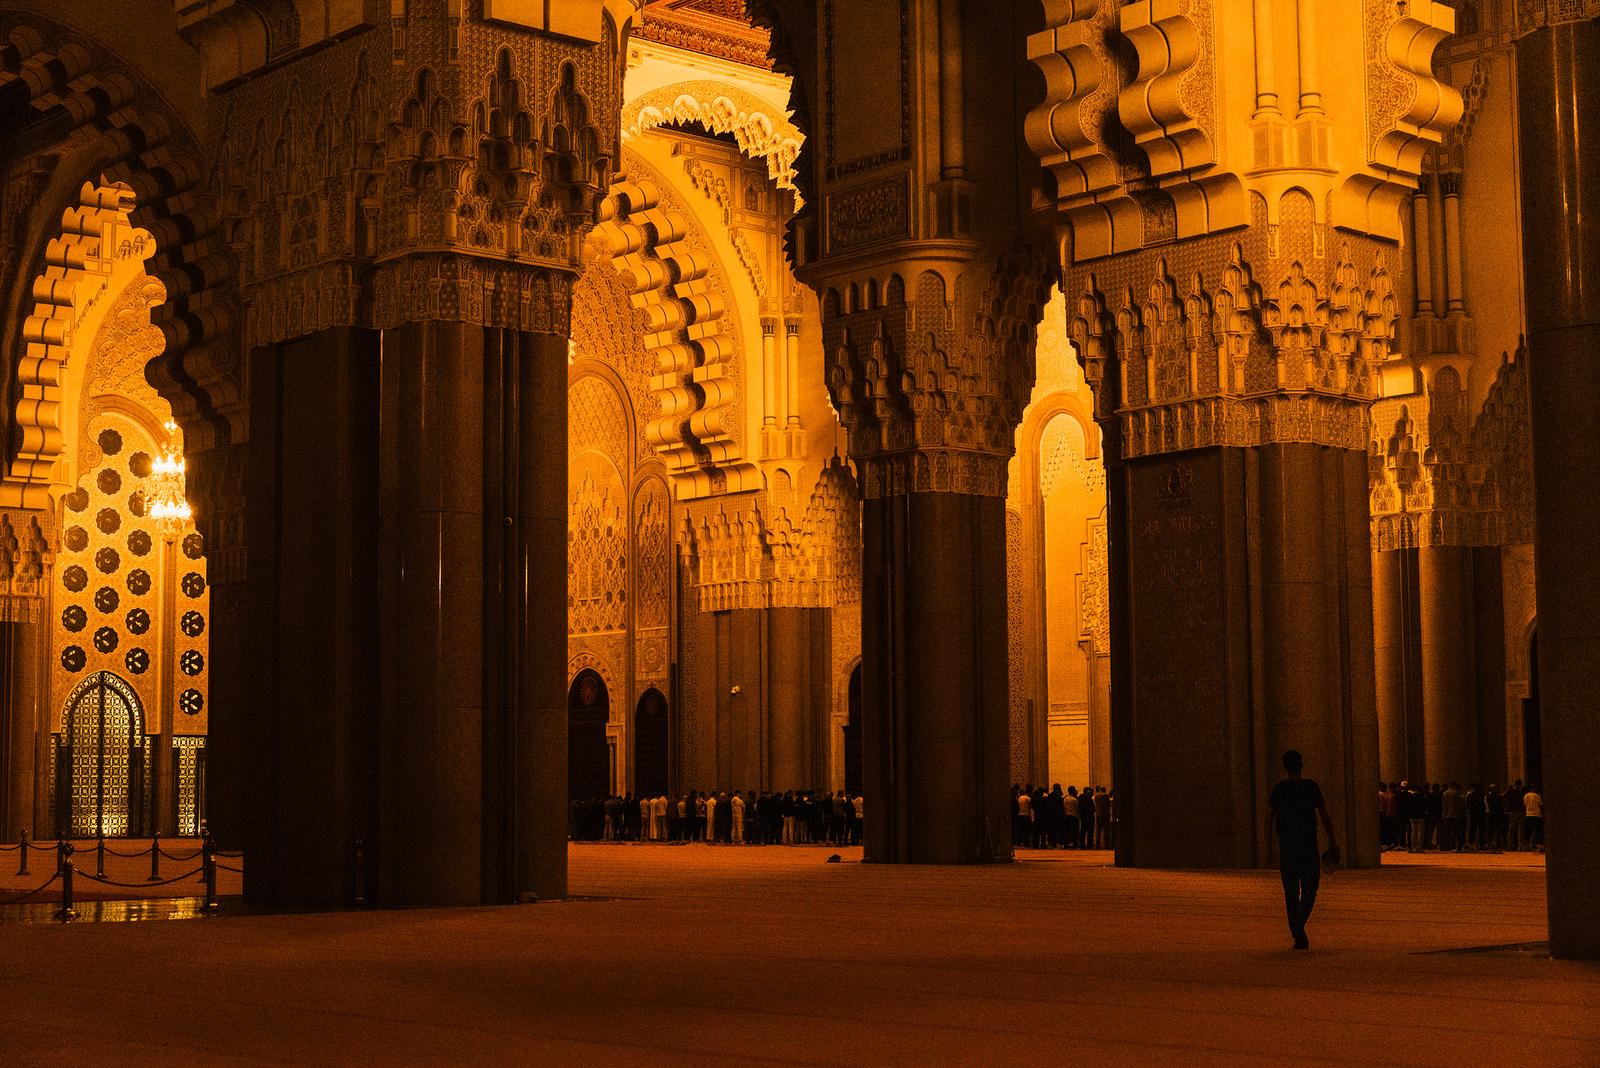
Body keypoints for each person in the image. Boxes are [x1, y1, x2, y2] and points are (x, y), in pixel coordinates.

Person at [1266, 749, 1339, 951]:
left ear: (1284, 766)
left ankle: (1297, 931)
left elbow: (1268, 817)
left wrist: (1268, 845)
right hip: (1308, 845)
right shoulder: (1311, 787)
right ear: (1302, 764)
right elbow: (1324, 816)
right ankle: (1298, 928)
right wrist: (1332, 840)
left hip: (1287, 846)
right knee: (1310, 888)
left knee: (1290, 891)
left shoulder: (1279, 789)